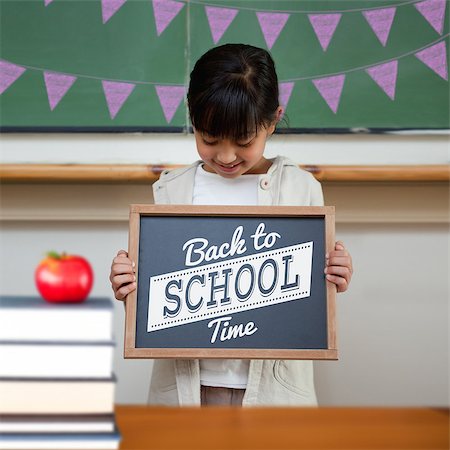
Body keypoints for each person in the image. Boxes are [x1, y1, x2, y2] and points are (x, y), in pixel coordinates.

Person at [110, 43, 353, 407]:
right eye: (208, 139)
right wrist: (130, 286)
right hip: (187, 390)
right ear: (192, 119)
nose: (225, 156)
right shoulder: (171, 191)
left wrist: (335, 273)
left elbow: (310, 299)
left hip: (272, 394)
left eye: (243, 141)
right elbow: (156, 306)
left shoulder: (301, 189)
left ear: (272, 121)